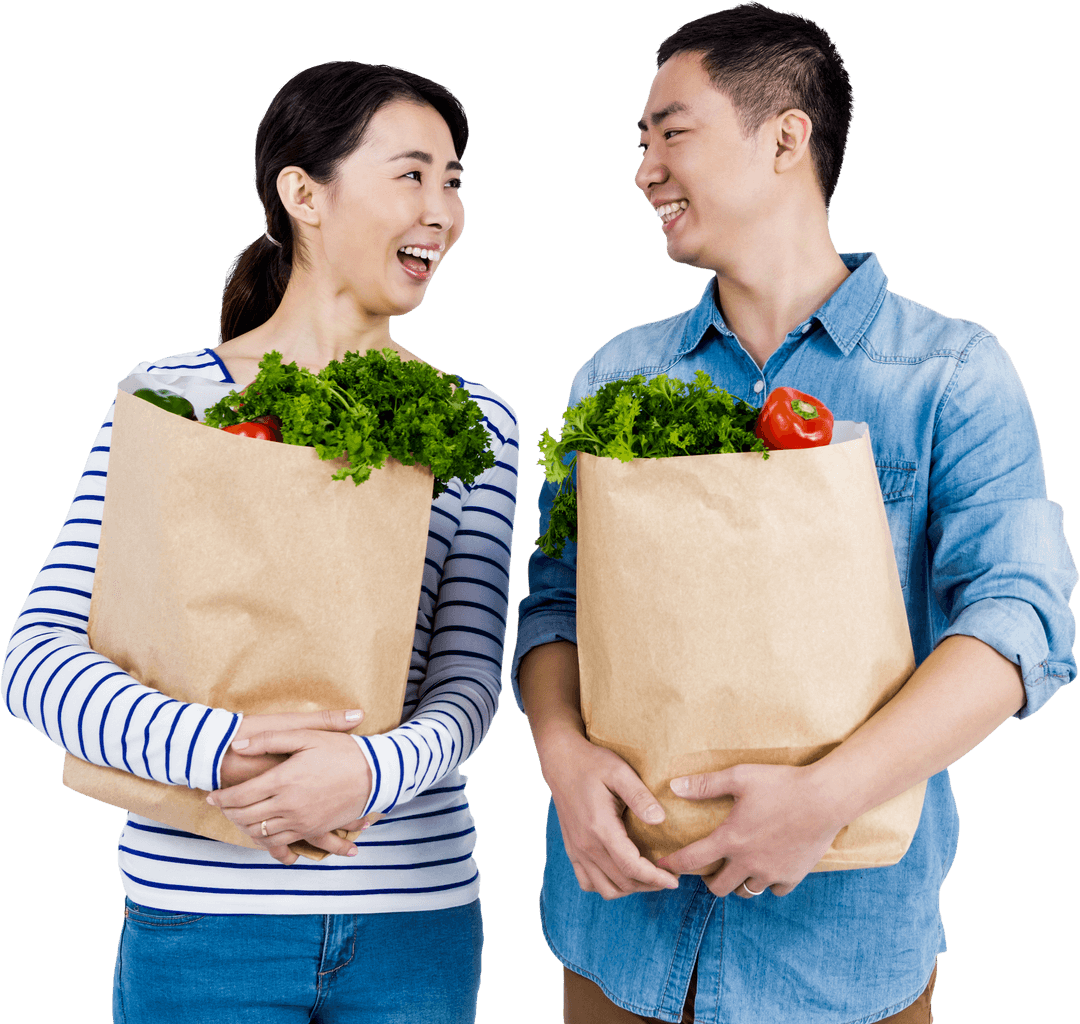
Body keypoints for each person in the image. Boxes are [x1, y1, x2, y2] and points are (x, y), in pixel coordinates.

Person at [512, 5, 1076, 1023]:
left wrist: (826, 795)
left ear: (785, 136)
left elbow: (1021, 624)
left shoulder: (949, 373)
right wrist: (563, 760)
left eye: (671, 133)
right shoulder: (616, 373)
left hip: (844, 951)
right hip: (618, 939)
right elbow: (554, 610)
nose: (645, 171)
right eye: (639, 145)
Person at [2, 61, 518, 1023]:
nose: (442, 210)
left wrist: (368, 771)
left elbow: (471, 681)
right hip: (203, 919)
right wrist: (219, 748)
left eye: (454, 181)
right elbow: (36, 663)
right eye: (411, 174)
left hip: (413, 917)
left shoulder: (475, 417)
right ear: (303, 193)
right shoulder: (170, 401)